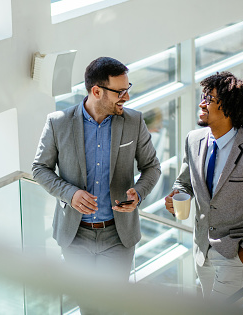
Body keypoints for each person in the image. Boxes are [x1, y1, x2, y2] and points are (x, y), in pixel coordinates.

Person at [32, 56, 161, 314]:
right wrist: (70, 193)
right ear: (96, 91)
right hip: (75, 236)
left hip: (117, 236)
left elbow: (152, 168)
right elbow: (39, 169)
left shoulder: (134, 122)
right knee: (88, 306)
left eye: (128, 89)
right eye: (120, 91)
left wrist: (139, 193)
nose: (126, 96)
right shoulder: (58, 123)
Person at [164, 71, 243, 299]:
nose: (202, 103)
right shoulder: (193, 140)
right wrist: (178, 194)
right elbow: (186, 182)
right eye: (203, 96)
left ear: (229, 109)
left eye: (209, 99)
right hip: (202, 250)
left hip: (235, 255)